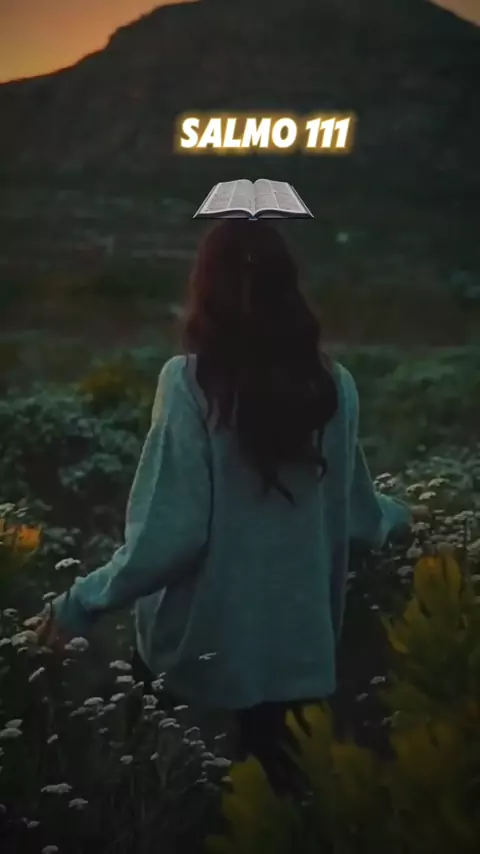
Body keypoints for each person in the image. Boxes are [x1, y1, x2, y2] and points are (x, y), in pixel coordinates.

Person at [35, 219, 416, 796]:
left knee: (166, 811)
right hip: (296, 660)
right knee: (277, 824)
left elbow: (168, 535)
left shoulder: (189, 384)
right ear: (288, 286)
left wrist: (81, 603)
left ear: (206, 287)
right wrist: (407, 516)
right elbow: (359, 515)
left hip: (196, 666)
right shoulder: (334, 386)